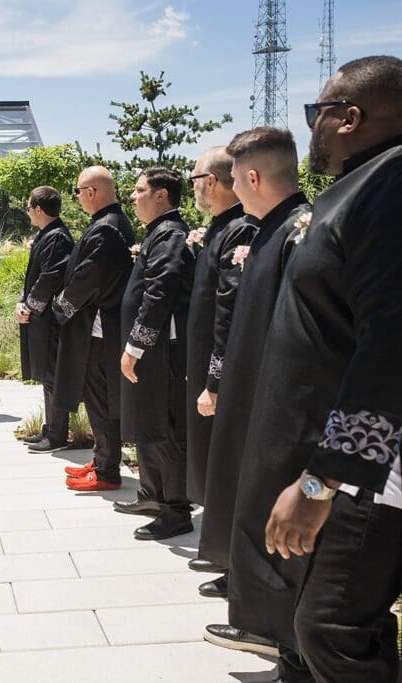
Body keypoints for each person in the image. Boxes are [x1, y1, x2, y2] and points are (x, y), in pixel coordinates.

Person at [261, 56, 402, 682]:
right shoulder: (374, 182)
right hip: (349, 457)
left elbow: (393, 347)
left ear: (348, 117)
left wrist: (319, 484)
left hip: (382, 462)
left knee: (333, 626)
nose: (313, 130)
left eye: (317, 114)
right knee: (325, 622)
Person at [194, 129, 311, 678]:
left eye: (235, 177)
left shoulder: (299, 234)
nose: (231, 186)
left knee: (275, 519)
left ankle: (286, 641)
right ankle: (269, 629)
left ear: (254, 178)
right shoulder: (267, 231)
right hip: (251, 396)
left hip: (280, 408)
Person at [115, 167, 196, 540]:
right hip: (153, 351)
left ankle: (176, 509)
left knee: (166, 429)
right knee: (150, 424)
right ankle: (153, 494)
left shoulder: (171, 235)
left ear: (161, 195)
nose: (133, 197)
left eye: (139, 190)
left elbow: (160, 292)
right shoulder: (158, 233)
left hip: (164, 353)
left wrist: (136, 344)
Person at [182, 146, 254, 533]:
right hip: (204, 361)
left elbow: (228, 310)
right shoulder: (221, 227)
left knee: (226, 459)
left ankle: (228, 550)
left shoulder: (240, 228)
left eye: (194, 179)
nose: (193, 187)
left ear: (211, 181)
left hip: (222, 368)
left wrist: (214, 380)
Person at [58, 166, 135, 492]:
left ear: (91, 192)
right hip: (104, 327)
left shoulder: (106, 228)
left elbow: (87, 278)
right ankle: (103, 459)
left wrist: (61, 307)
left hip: (103, 329)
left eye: (78, 191)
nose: (77, 198)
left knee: (101, 401)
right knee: (101, 401)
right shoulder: (113, 222)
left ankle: (106, 471)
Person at [17, 186, 74, 453]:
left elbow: (50, 277)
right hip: (40, 316)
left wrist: (30, 306)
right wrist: (22, 302)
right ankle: (50, 428)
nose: (27, 213)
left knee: (52, 375)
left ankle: (58, 435)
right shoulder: (46, 235)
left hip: (51, 319)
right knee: (46, 375)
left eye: (28, 208)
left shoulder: (58, 237)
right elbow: (32, 277)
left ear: (39, 209)